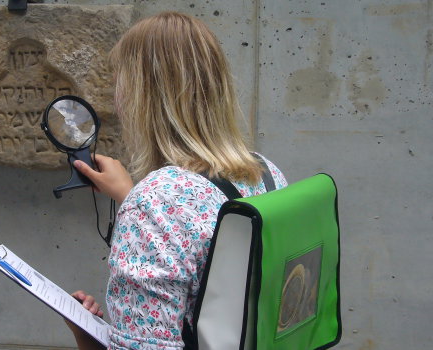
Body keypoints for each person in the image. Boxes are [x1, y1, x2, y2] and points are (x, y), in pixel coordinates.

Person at [65, 11, 288, 350]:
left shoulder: (155, 204)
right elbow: (212, 267)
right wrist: (133, 195)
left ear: (143, 96)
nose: (117, 99)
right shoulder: (267, 173)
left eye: (120, 83)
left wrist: (89, 341)